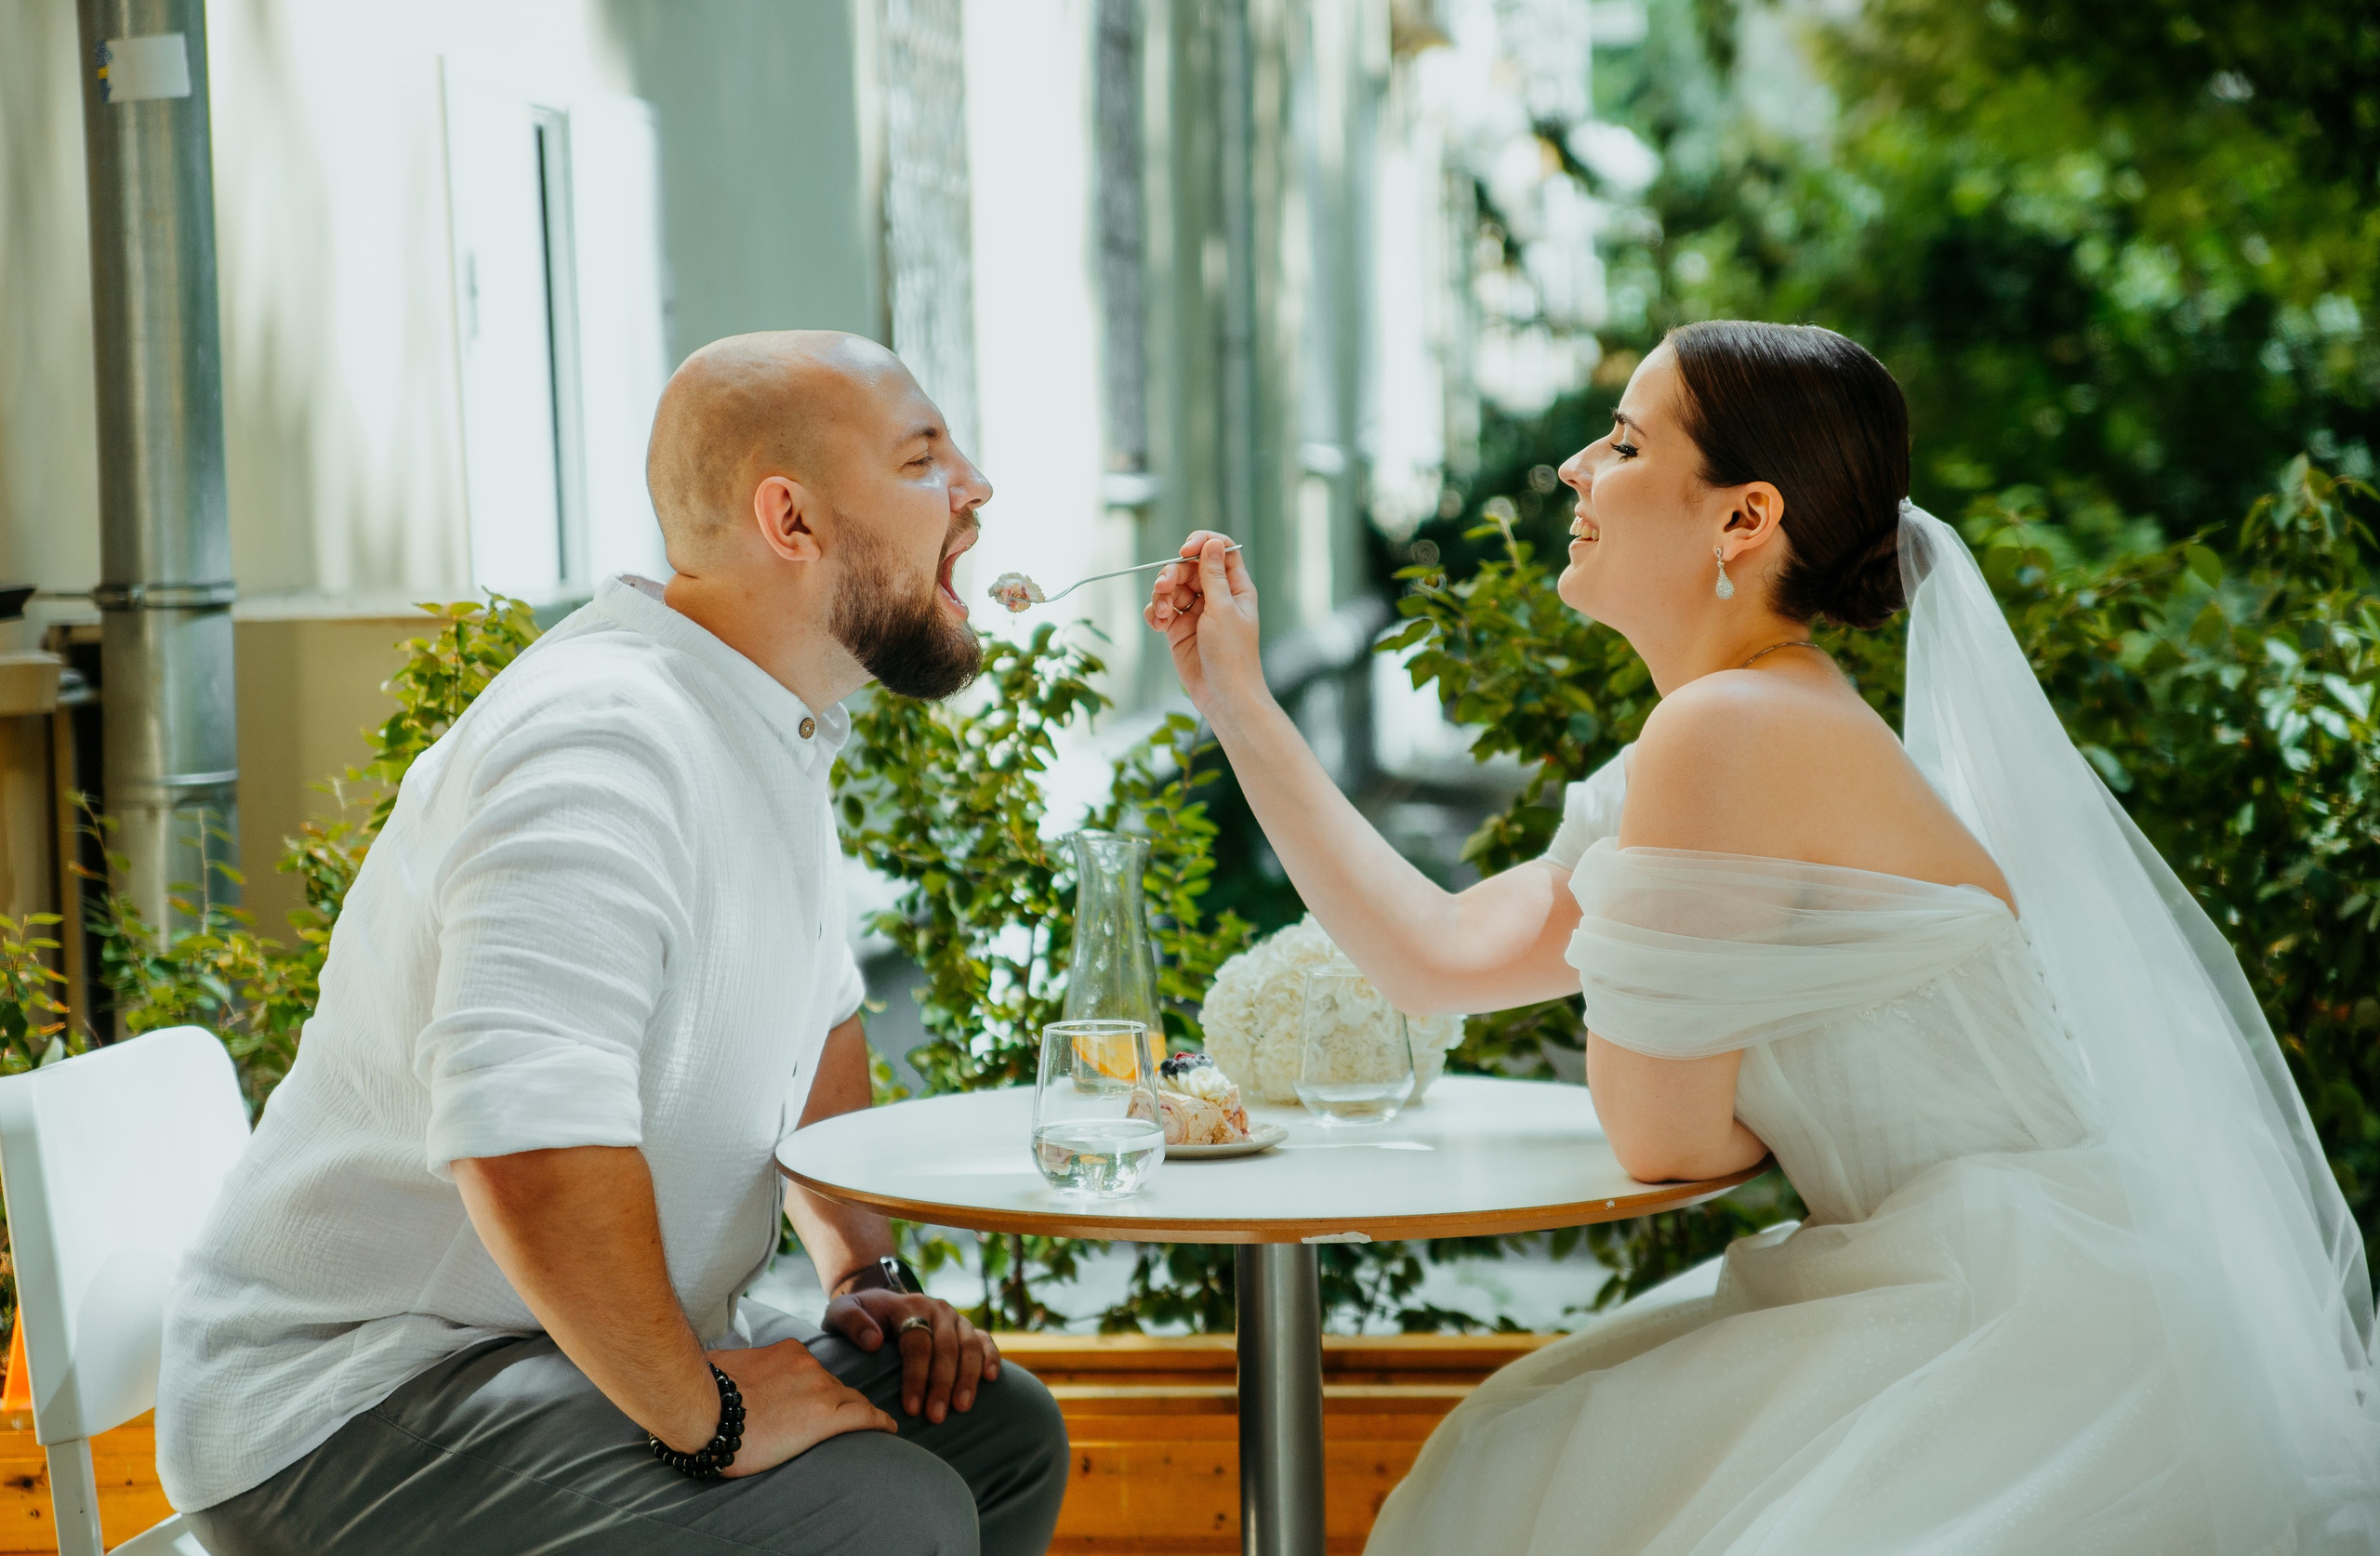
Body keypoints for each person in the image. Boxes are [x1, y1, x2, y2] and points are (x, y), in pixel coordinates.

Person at [1146, 321, 2380, 1552]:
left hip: (2013, 1319)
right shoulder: (1721, 730)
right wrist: (1236, 700)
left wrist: (1710, 1071)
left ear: (1743, 520)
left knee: (1527, 1466)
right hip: (1981, 1271)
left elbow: (1659, 1133)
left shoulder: (1729, 733)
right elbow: (1444, 956)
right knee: (1520, 1449)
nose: (1576, 466)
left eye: (1625, 443)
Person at [158, 331, 1069, 1556]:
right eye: (924, 459)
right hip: (351, 1409)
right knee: (886, 1514)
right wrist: (711, 1412)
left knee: (992, 1434)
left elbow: (823, 1020)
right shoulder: (601, 740)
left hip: (537, 1361)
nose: (977, 486)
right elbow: (521, 1144)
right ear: (789, 520)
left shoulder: (767, 722)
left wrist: (864, 1278)